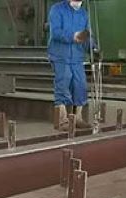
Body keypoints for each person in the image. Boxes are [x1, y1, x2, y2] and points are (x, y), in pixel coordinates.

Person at [48, 0, 93, 131]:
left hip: (77, 56)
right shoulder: (57, 9)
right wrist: (73, 36)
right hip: (60, 54)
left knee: (80, 85)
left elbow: (86, 35)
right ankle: (62, 119)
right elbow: (55, 32)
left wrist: (93, 48)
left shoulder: (84, 14)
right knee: (63, 82)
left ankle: (77, 117)